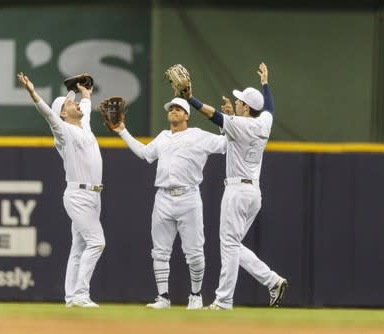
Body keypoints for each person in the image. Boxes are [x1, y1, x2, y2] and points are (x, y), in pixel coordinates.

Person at [184, 63, 288, 310]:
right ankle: (273, 281)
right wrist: (266, 83)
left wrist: (191, 99)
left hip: (237, 191)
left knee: (229, 244)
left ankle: (223, 301)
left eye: (240, 102)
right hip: (253, 193)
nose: (237, 102)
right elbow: (269, 107)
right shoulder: (263, 123)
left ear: (247, 108)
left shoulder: (241, 124)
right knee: (233, 245)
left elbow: (215, 116)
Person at [110, 97, 227, 310]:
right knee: (160, 252)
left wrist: (226, 121)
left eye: (178, 108)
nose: (173, 111)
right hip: (163, 197)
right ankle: (163, 298)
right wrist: (122, 131)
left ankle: (196, 295)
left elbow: (225, 144)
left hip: (189, 197)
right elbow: (146, 154)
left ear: (186, 115)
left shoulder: (198, 135)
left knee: (194, 253)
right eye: (171, 108)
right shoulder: (163, 137)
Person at [17, 72, 105, 308]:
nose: (74, 102)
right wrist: (33, 93)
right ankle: (81, 295)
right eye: (68, 103)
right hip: (78, 195)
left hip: (94, 195)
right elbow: (48, 114)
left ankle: (70, 298)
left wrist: (86, 93)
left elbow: (85, 106)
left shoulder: (83, 124)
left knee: (78, 247)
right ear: (63, 114)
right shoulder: (63, 131)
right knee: (96, 242)